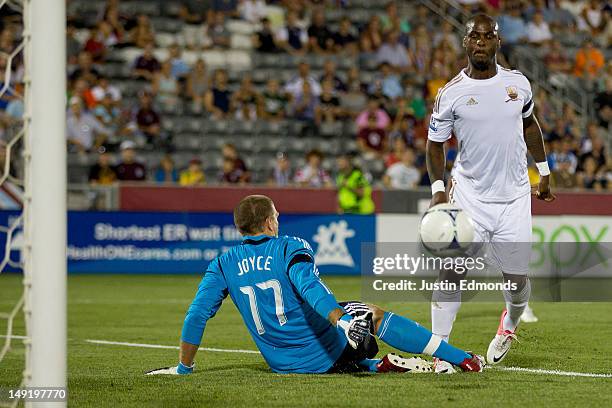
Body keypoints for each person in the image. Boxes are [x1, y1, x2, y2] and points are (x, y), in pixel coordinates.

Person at [146, 195, 485, 375]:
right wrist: (343, 320)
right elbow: (310, 289)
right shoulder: (288, 247)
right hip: (325, 349)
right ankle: (463, 358)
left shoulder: (221, 264)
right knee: (371, 312)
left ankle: (372, 365)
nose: (278, 220)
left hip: (281, 363)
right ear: (267, 222)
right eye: (275, 216)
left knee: (354, 334)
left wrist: (184, 368)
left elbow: (195, 316)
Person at [426, 14, 555, 373]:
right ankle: (442, 352)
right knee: (452, 272)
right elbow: (435, 145)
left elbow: (529, 123)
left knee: (516, 283)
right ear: (465, 43)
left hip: (514, 197)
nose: (481, 42)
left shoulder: (518, 83)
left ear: (498, 42)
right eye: (474, 37)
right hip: (469, 196)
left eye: (488, 36)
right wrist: (438, 191)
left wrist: (544, 173)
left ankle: (508, 327)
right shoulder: (451, 93)